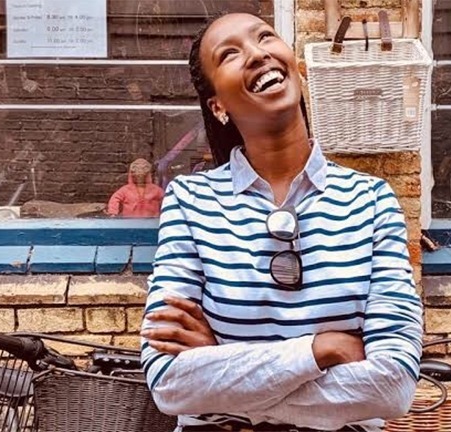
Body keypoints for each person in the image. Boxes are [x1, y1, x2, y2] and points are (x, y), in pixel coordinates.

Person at [140, 12, 423, 432]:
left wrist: (224, 361)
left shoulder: (372, 201)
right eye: (230, 54)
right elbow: (168, 384)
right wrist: (321, 349)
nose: (256, 54)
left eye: (265, 37)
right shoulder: (189, 201)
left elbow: (393, 386)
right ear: (217, 106)